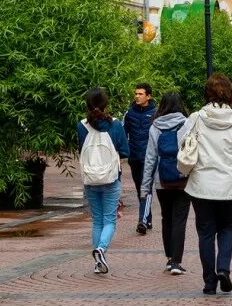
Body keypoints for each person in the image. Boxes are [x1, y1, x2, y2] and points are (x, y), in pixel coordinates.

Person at [180, 73, 232, 295]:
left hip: (201, 184)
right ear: (229, 93)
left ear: (207, 93)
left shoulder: (195, 118)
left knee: (206, 233)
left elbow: (183, 143)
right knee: (227, 228)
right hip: (227, 184)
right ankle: (224, 269)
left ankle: (209, 282)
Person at [76, 87, 129, 275]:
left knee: (97, 220)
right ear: (106, 104)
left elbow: (80, 148)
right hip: (111, 178)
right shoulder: (115, 125)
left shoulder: (82, 126)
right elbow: (124, 152)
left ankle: (98, 264)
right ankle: (101, 250)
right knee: (110, 220)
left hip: (90, 179)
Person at [140, 92, 190, 276]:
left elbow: (150, 158)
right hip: (183, 180)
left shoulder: (155, 126)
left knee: (166, 218)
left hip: (162, 181)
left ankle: (170, 258)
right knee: (179, 220)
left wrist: (145, 187)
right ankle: (177, 261)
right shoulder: (187, 124)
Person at [123, 83, 156, 234]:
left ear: (148, 96)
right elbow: (123, 134)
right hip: (134, 156)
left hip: (149, 157)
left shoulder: (155, 114)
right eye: (136, 93)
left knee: (146, 187)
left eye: (140, 94)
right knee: (139, 189)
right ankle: (147, 218)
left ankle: (142, 220)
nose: (137, 96)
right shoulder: (129, 114)